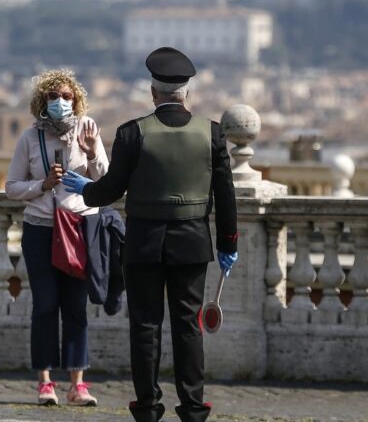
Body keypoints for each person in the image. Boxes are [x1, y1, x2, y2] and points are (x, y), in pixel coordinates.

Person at [63, 47, 239, 422]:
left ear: (153, 92)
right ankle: (193, 406)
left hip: (143, 243)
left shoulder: (132, 133)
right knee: (188, 327)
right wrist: (228, 244)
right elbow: (225, 196)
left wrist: (84, 189)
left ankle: (147, 407)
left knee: (145, 327)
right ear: (186, 92)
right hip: (192, 243)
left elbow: (110, 190)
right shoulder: (212, 133)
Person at [5, 69, 108, 407]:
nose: (60, 102)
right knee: (46, 306)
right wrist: (43, 185)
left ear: (76, 100)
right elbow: (11, 187)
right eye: (53, 97)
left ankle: (78, 384)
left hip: (78, 227)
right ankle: (45, 382)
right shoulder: (29, 138)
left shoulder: (88, 129)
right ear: (42, 102)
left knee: (76, 308)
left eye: (66, 97)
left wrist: (92, 153)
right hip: (41, 229)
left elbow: (105, 180)